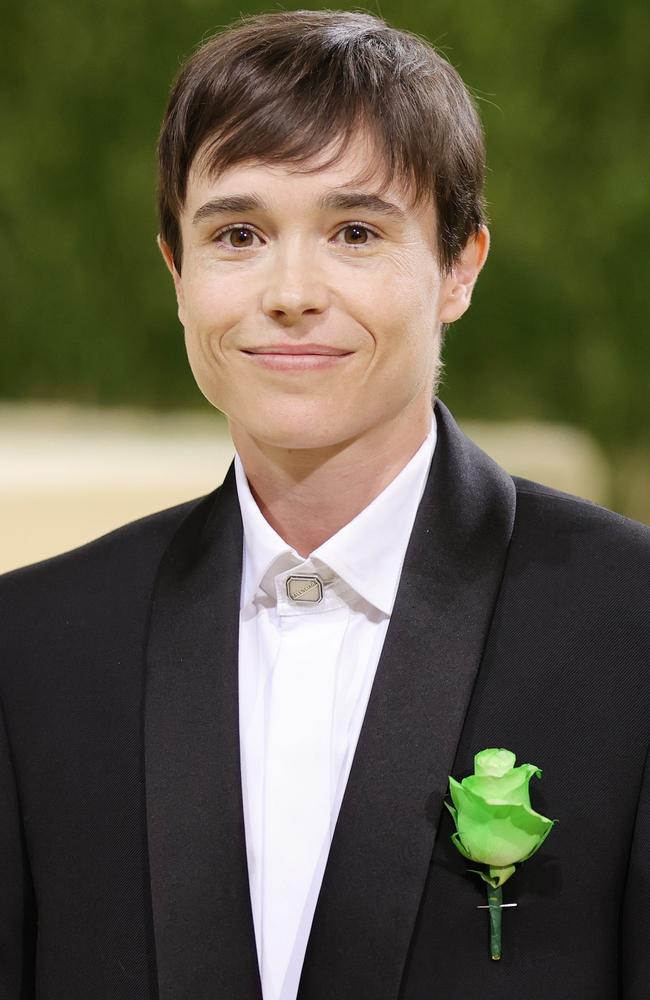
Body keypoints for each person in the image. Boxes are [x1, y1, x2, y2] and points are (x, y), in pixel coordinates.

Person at [1, 9, 648, 999]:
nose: (290, 290)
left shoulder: (628, 620)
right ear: (177, 272)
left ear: (458, 267)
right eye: (238, 234)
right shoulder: (33, 648)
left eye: (353, 231)